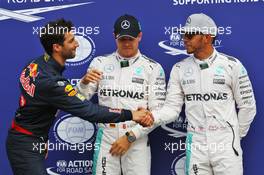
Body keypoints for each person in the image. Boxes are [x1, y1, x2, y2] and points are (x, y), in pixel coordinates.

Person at [6, 18, 151, 175]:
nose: (77, 44)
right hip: (26, 144)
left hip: (29, 139)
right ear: (57, 47)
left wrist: (40, 138)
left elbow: (35, 103)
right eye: (71, 41)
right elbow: (90, 111)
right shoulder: (52, 82)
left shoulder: (36, 64)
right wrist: (131, 114)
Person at [145, 13, 256, 175]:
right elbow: (172, 108)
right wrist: (152, 117)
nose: (185, 39)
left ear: (207, 37)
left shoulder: (232, 65)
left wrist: (234, 137)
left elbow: (248, 106)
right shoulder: (179, 69)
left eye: (190, 35)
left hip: (226, 146)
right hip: (196, 145)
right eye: (184, 34)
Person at [76, 14, 166, 175]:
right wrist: (83, 83)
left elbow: (156, 113)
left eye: (130, 39)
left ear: (139, 36)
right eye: (122, 39)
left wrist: (130, 137)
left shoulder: (153, 68)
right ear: (114, 37)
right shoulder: (99, 63)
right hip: (106, 137)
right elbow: (78, 100)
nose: (126, 43)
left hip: (136, 138)